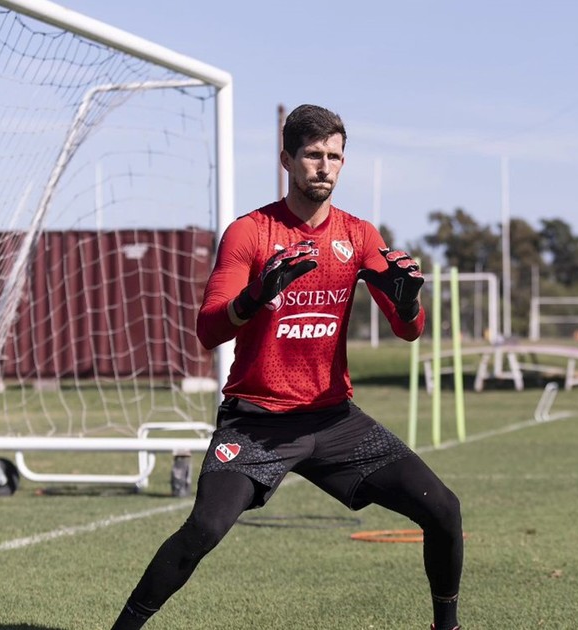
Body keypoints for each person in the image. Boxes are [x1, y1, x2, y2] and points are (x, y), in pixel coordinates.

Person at [111, 104, 463, 630]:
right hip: (256, 421)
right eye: (313, 155)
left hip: (333, 420)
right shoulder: (250, 232)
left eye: (334, 157)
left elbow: (408, 331)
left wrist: (409, 301)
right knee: (205, 528)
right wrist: (256, 296)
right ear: (287, 160)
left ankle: (446, 627)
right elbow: (209, 330)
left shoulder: (359, 235)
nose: (325, 166)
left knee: (444, 509)